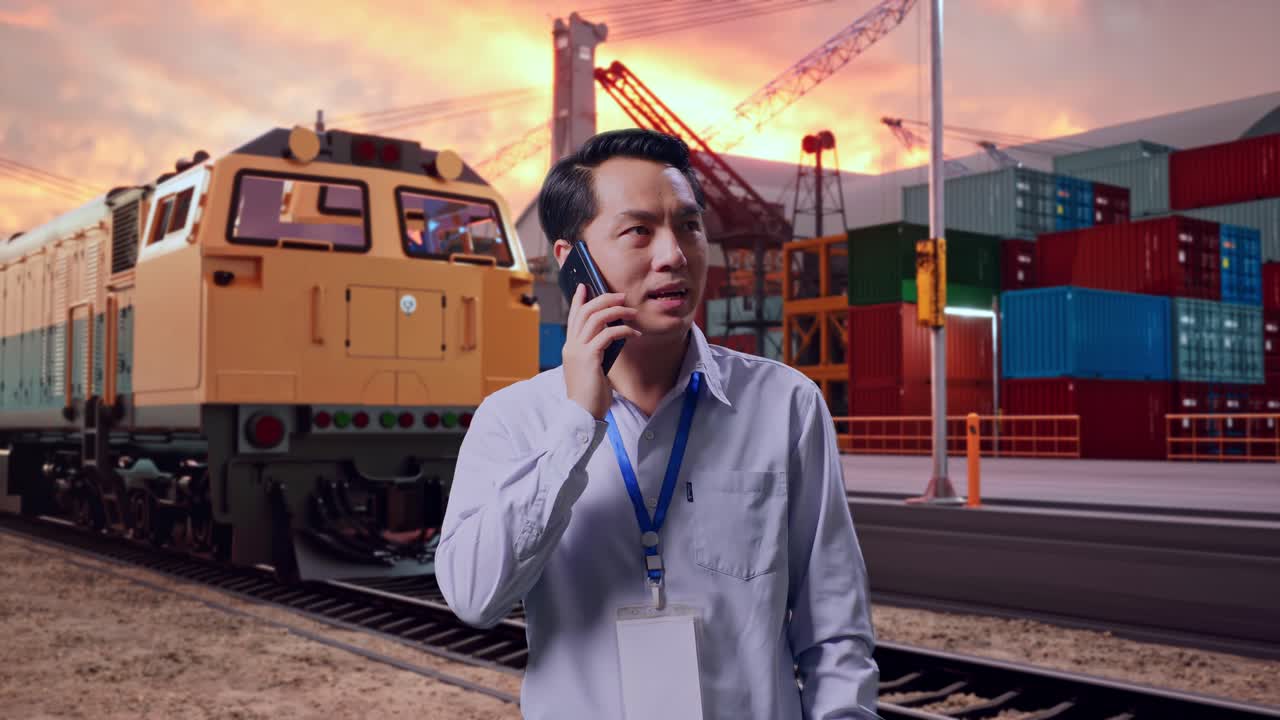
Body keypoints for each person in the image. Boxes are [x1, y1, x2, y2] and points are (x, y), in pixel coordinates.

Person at [435, 128, 879, 719]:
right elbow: (473, 597)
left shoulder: (786, 406)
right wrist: (576, 426)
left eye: (689, 226)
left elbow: (835, 624)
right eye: (639, 230)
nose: (674, 254)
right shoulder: (515, 420)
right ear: (574, 263)